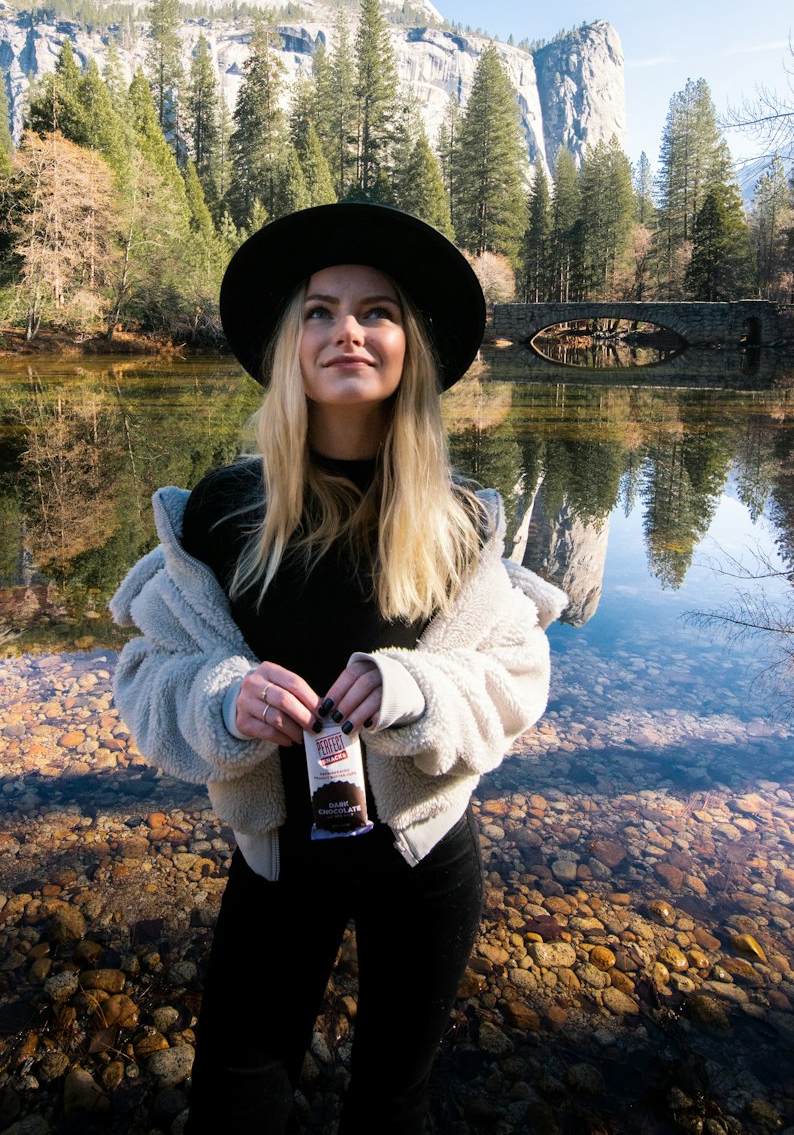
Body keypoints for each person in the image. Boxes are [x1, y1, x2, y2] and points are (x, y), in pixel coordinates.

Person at [109, 203, 566, 1135]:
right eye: (318, 311)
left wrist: (420, 691)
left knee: (391, 1102)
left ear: (411, 347)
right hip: (277, 865)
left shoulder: (464, 523)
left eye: (377, 311)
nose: (345, 331)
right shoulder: (220, 517)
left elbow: (517, 683)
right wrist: (219, 699)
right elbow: (144, 680)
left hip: (424, 857)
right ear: (290, 343)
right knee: (236, 1090)